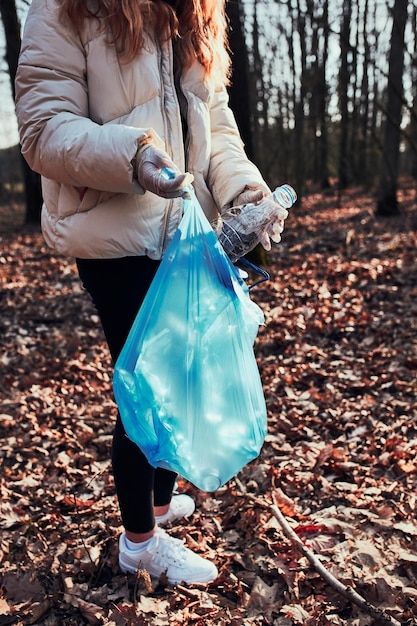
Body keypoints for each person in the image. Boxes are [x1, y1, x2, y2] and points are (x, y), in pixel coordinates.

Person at [15, 0, 288, 586]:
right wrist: (133, 155)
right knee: (149, 388)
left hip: (187, 236)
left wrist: (244, 193)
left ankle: (158, 509)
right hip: (115, 235)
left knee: (188, 373)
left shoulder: (192, 10)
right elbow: (43, 130)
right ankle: (139, 543)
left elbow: (215, 123)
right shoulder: (65, 9)